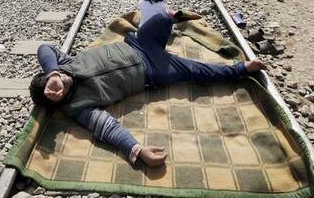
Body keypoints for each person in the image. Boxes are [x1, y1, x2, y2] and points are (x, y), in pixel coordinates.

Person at [29, 12, 266, 168]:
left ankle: (168, 38)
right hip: (152, 70)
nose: (59, 90)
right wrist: (137, 150)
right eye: (55, 97)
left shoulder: (63, 65)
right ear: (57, 103)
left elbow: (44, 48)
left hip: (138, 44)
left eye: (53, 84)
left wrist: (52, 73)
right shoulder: (78, 108)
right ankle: (241, 69)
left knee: (164, 18)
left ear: (53, 75)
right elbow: (107, 128)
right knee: (198, 72)